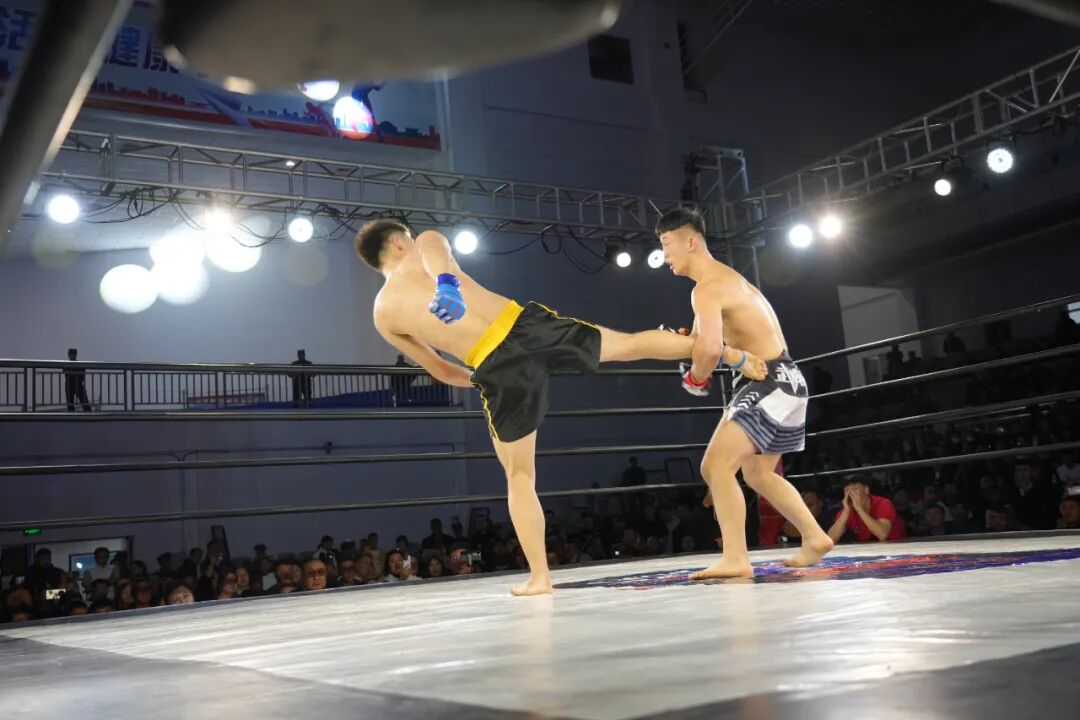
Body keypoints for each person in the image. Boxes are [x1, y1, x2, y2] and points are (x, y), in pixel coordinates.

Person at [354, 219, 698, 595]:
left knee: (519, 476)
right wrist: (447, 284)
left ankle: (539, 577)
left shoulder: (382, 314)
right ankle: (717, 350)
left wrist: (482, 379)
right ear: (397, 241)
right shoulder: (423, 242)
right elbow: (436, 254)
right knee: (626, 345)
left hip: (492, 364)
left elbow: (439, 370)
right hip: (523, 326)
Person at [656, 208, 834, 579]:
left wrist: (696, 379)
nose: (665, 254)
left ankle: (735, 557)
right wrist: (684, 346)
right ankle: (815, 536)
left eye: (667, 244)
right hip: (785, 378)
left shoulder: (706, 288)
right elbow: (702, 342)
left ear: (691, 242)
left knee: (715, 466)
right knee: (758, 473)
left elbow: (709, 351)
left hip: (768, 380)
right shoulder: (726, 280)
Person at [827, 479, 907, 543]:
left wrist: (860, 509)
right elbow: (830, 539)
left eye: (855, 488)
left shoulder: (883, 503)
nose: (850, 493)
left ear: (866, 490)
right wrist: (846, 512)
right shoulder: (847, 510)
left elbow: (882, 535)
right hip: (867, 552)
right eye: (847, 490)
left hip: (896, 549)